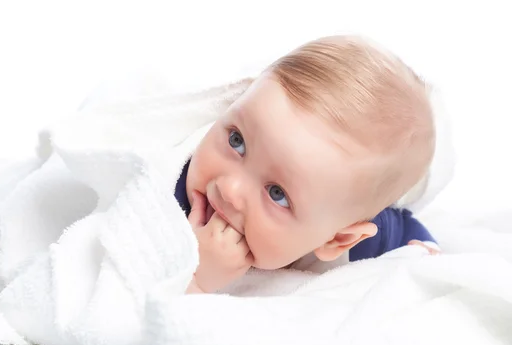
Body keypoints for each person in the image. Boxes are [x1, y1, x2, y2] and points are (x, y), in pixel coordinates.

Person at [177, 36, 440, 294]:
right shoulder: (168, 196)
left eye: (277, 193)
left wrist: (424, 254)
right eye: (237, 141)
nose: (230, 189)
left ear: (337, 239)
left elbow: (407, 231)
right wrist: (197, 280)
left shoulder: (355, 242)